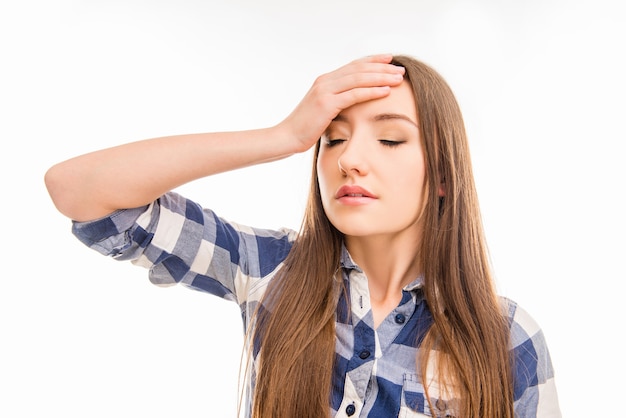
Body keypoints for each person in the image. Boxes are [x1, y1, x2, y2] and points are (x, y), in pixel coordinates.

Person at [45, 54, 561, 417]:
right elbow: (81, 193)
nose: (349, 159)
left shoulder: (507, 339)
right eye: (332, 139)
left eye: (389, 138)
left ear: (444, 173)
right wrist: (283, 137)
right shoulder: (269, 270)